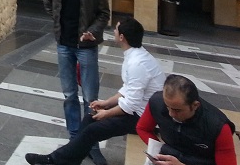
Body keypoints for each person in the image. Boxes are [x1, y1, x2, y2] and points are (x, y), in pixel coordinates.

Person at [26, 17, 166, 165]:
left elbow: (130, 105)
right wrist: (106, 103)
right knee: (89, 119)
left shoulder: (137, 63)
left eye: (116, 29)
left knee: (92, 130)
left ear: (122, 37)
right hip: (137, 110)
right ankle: (67, 160)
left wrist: (106, 113)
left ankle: (52, 160)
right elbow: (127, 89)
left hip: (142, 117)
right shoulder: (136, 55)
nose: (113, 31)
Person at [43, 0, 111, 165]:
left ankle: (91, 144)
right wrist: (58, 24)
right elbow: (48, 4)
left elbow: (104, 13)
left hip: (86, 46)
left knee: (91, 98)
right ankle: (75, 140)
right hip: (64, 43)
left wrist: (92, 31)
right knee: (69, 95)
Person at [137, 74, 237, 165]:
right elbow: (142, 128)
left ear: (195, 105)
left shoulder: (218, 126)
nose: (171, 114)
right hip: (171, 154)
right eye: (167, 106)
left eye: (177, 110)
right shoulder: (156, 102)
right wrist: (157, 151)